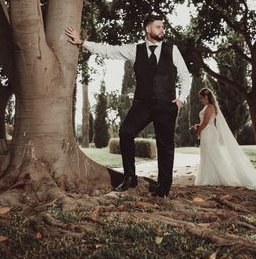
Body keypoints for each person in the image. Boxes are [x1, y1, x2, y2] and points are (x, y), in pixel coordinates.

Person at [65, 15, 191, 198]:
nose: (162, 30)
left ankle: (163, 189)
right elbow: (109, 51)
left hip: (166, 104)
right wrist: (82, 42)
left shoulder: (173, 50)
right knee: (125, 132)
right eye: (158, 27)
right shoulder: (135, 50)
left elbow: (185, 75)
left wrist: (182, 98)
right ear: (148, 29)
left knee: (165, 146)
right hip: (143, 104)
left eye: (163, 27)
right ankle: (130, 177)